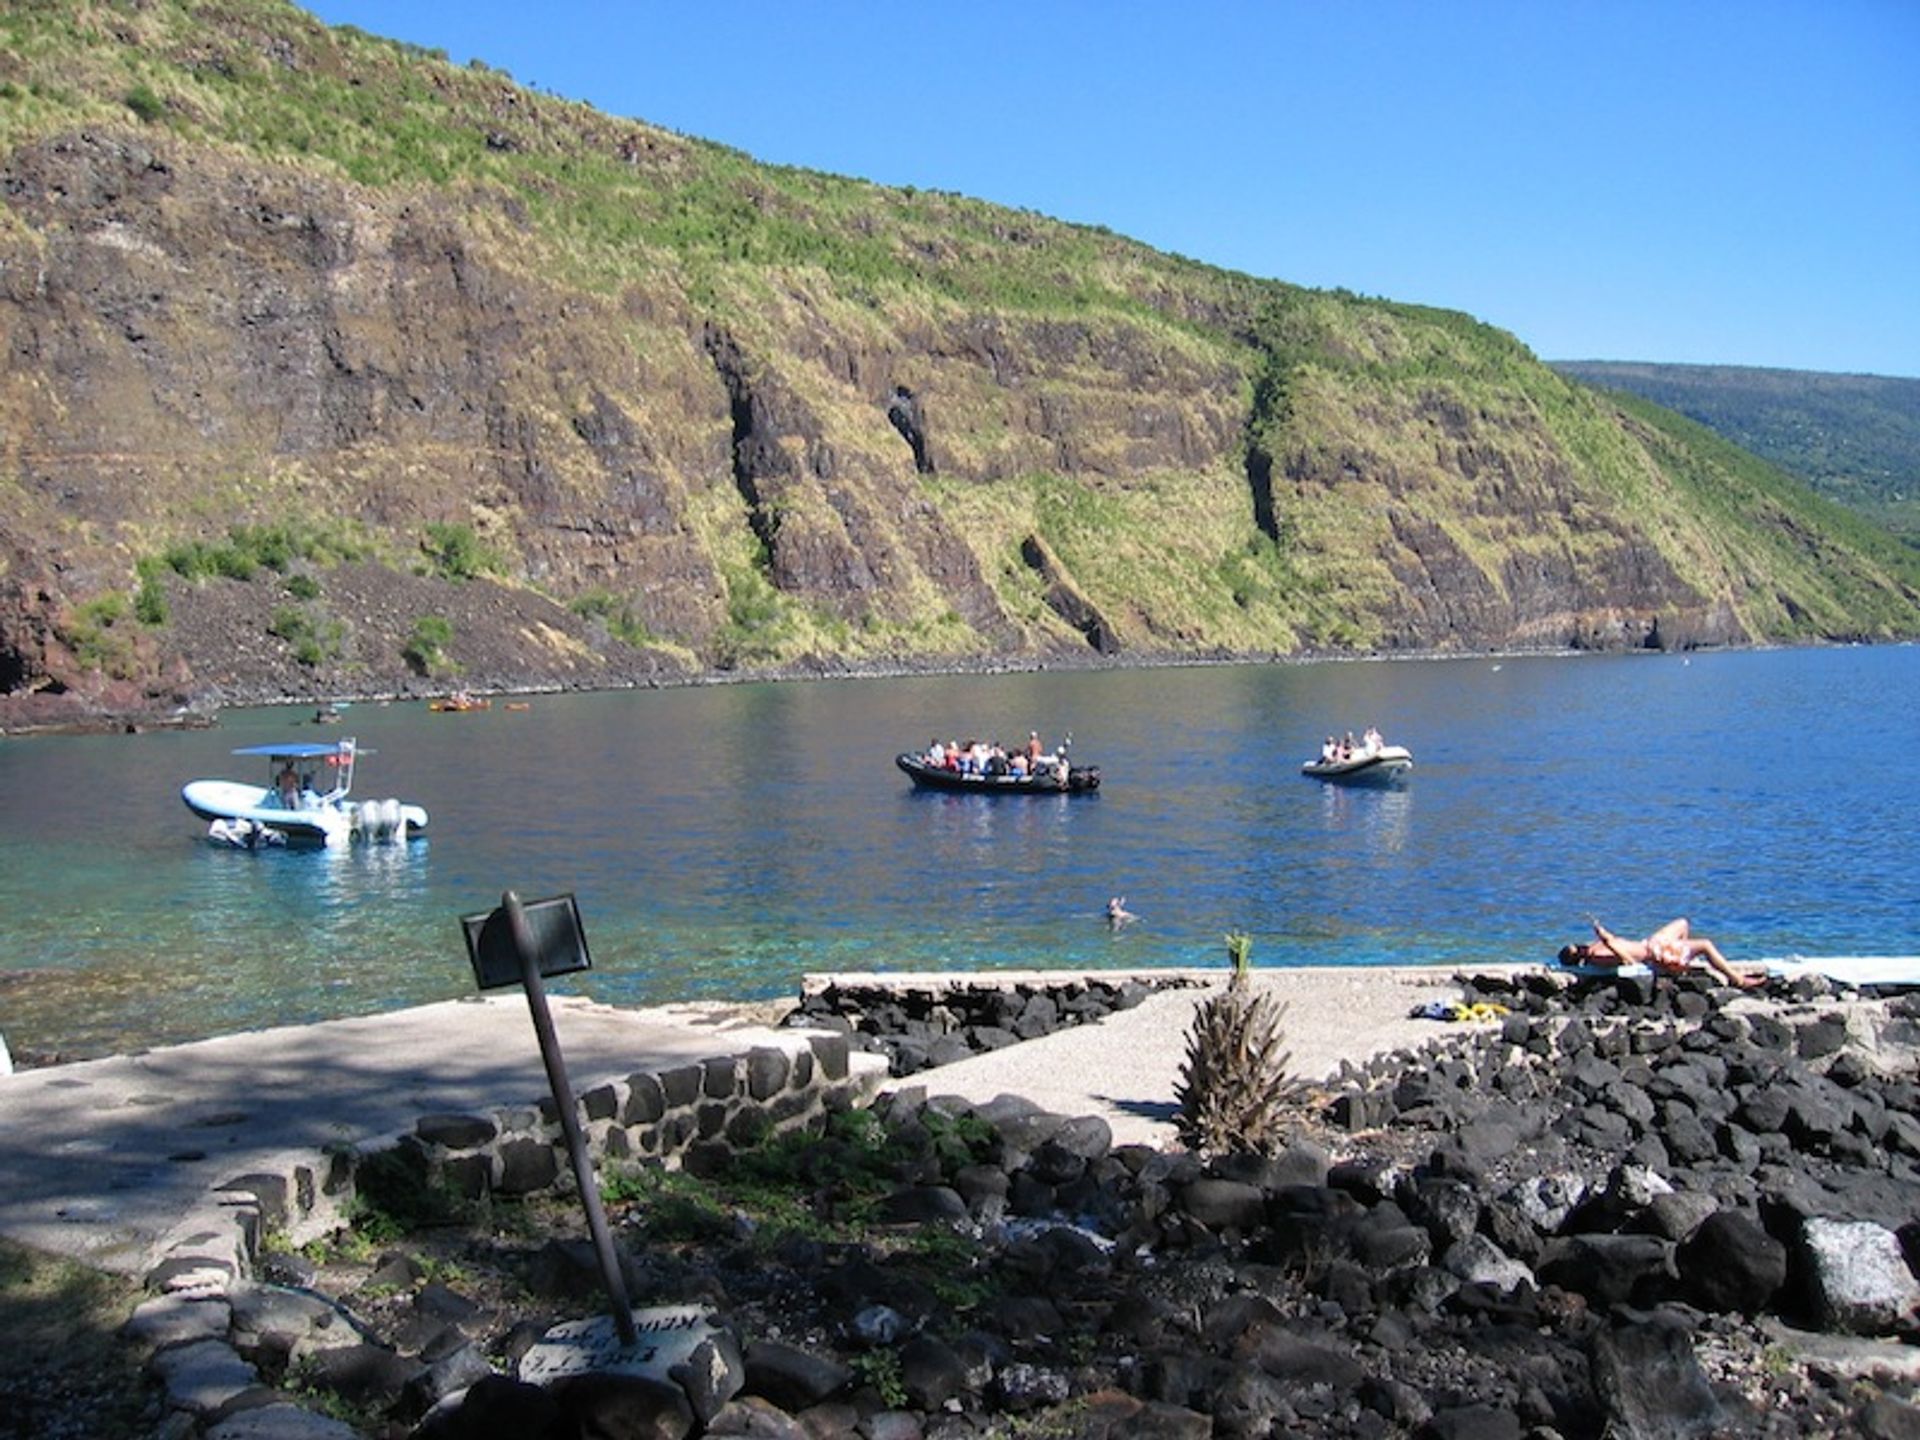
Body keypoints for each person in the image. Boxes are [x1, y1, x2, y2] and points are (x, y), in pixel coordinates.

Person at [1559, 916, 1766, 989]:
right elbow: (1628, 961)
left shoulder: (1596, 946)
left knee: (1683, 923)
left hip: (1652, 942)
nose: (1579, 946)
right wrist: (1608, 940)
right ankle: (1737, 979)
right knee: (1705, 945)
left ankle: (1680, 966)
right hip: (1654, 953)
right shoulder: (1597, 956)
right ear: (1579, 958)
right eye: (1576, 950)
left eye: (1576, 945)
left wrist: (1606, 937)